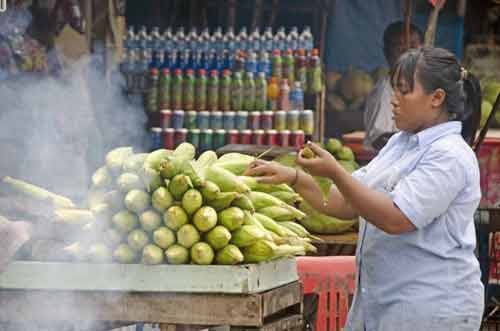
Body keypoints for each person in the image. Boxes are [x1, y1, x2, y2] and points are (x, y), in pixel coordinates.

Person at [244, 47, 484, 330]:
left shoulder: (450, 155)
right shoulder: (400, 144)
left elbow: (396, 218)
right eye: (393, 90)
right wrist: (294, 178)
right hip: (382, 304)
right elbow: (347, 204)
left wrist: (335, 171)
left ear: (437, 98)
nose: (393, 101)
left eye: (404, 92)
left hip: (430, 308)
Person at [364, 21, 423, 151]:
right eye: (399, 47)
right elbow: (379, 139)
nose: (407, 53)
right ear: (387, 53)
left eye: (413, 46)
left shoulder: (424, 88)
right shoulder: (385, 92)